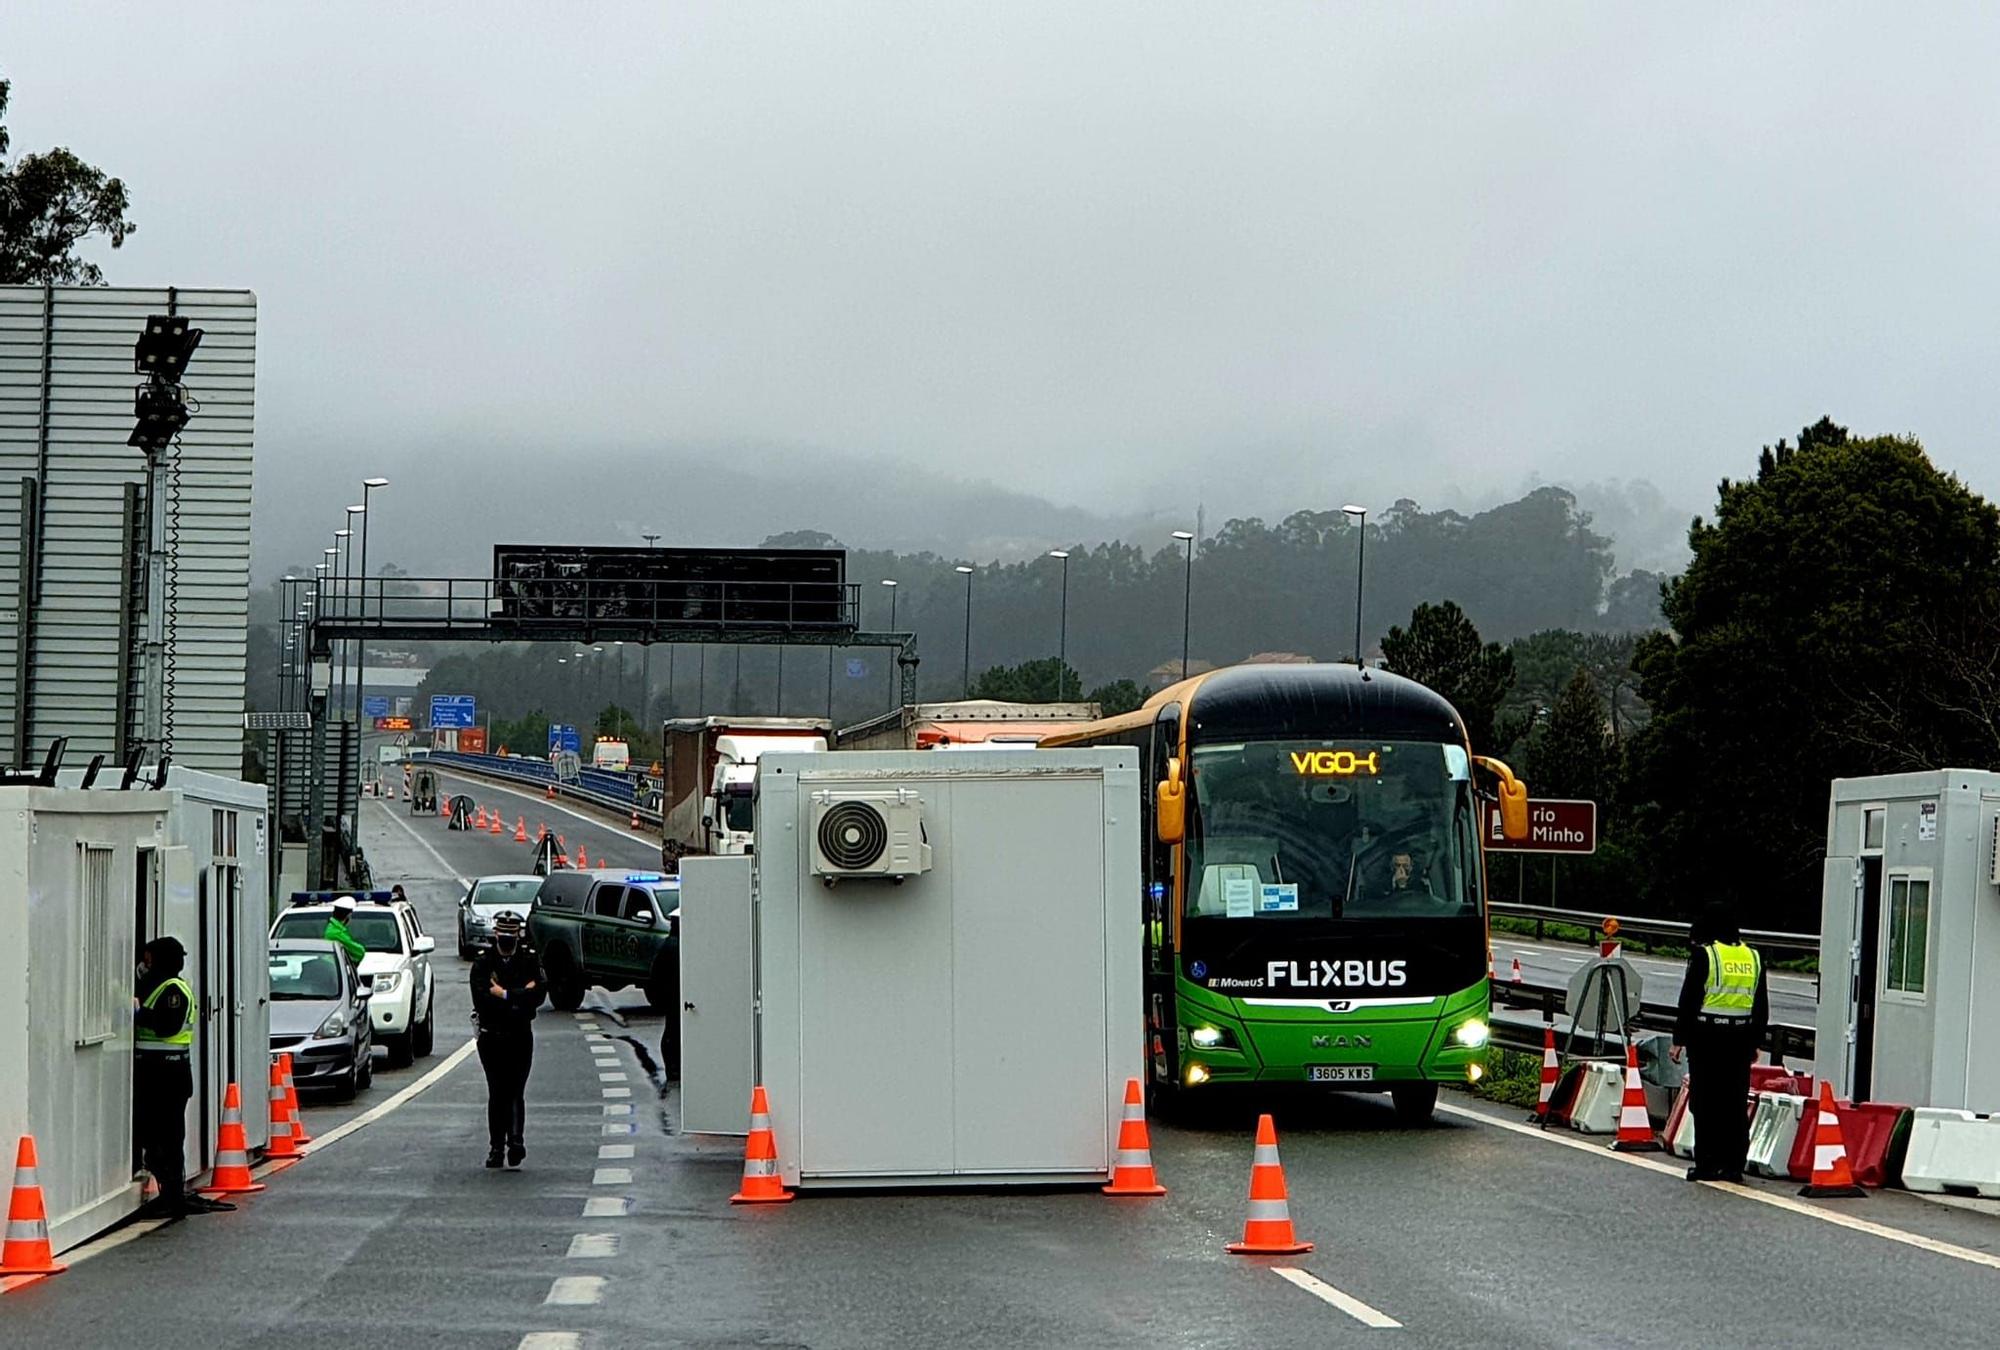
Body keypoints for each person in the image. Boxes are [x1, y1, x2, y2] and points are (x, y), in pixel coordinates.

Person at [134, 937, 233, 1216]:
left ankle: (173, 1198)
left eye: (149, 958)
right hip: (157, 1073)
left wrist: (136, 1012)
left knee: (166, 1138)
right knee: (157, 1137)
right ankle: (171, 1195)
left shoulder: (173, 990)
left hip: (168, 1075)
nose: (144, 963)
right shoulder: (155, 986)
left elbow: (166, 1027)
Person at [1671, 902, 1769, 1182]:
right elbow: (1760, 1004)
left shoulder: (1706, 956)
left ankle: (1707, 1164)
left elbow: (1689, 1000)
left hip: (1707, 1039)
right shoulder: (1753, 956)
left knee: (1705, 1102)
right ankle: (1734, 1166)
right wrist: (1755, 1042)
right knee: (1734, 1103)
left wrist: (1679, 1039)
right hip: (1739, 1039)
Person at [470, 911, 545, 1169]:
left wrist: (505, 995)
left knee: (516, 1089)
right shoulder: (483, 963)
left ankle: (516, 1141)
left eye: (511, 936)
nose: (507, 940)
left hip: (520, 1035)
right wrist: (518, 997)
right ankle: (496, 1148)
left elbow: (538, 996)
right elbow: (482, 999)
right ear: (496, 934)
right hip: (492, 1036)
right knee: (497, 1090)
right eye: (503, 935)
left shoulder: (528, 960)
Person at [324, 895, 368, 964]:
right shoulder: (336, 932)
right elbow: (359, 951)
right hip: (333, 969)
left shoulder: (334, 928)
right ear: (348, 915)